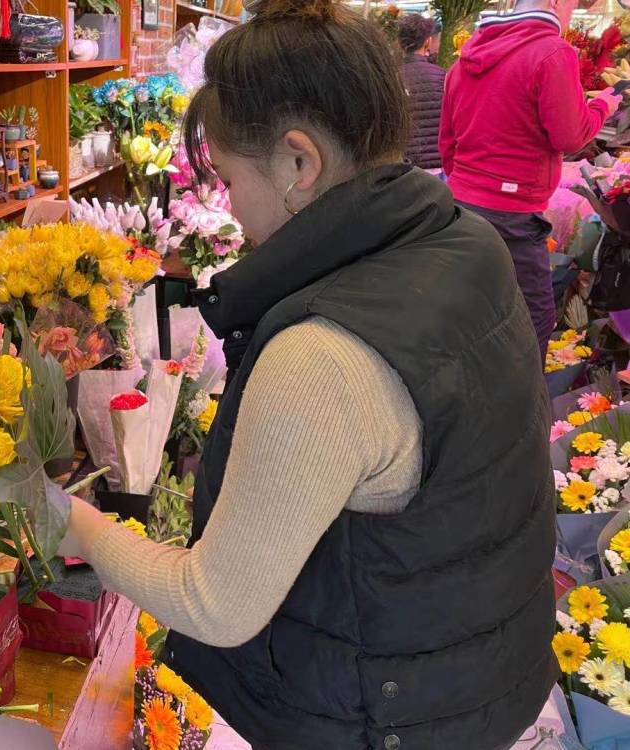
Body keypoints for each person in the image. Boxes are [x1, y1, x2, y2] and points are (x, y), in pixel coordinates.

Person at [59, 0, 556, 747]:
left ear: (299, 163)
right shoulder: (465, 240)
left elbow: (217, 603)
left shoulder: (324, 352)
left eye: (228, 176)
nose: (229, 205)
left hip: (379, 719)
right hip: (470, 679)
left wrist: (71, 521)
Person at [439, 0, 622, 359]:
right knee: (534, 318)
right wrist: (604, 105)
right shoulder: (553, 52)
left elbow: (448, 141)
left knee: (473, 306)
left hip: (462, 204)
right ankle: (520, 405)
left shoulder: (466, 58)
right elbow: (570, 136)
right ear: (555, 2)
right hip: (513, 212)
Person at [398, 14, 446, 170]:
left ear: (400, 43)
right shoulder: (442, 76)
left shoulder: (391, 77)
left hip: (403, 165)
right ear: (428, 41)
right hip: (437, 163)